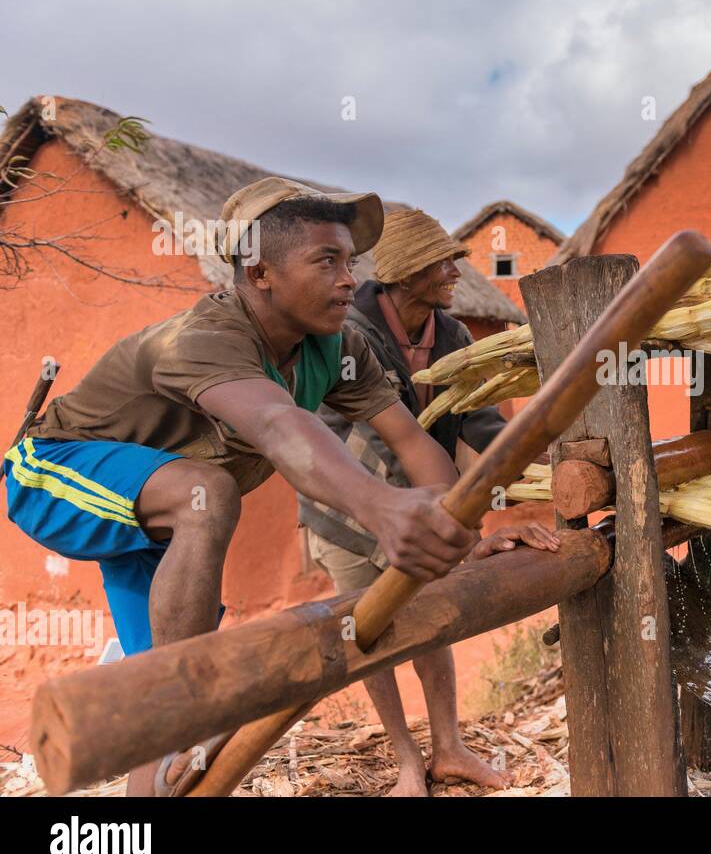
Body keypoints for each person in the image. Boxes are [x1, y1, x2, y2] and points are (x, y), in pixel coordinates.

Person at [3, 178, 510, 795]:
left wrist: (459, 530)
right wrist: (382, 508)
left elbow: (408, 439)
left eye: (350, 262)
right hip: (53, 473)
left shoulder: (339, 347)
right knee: (208, 496)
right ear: (260, 271)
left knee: (162, 704)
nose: (349, 280)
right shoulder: (206, 337)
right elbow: (278, 422)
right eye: (327, 261)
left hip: (159, 521)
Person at [298, 208, 558, 795]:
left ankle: (448, 748)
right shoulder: (347, 331)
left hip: (423, 501)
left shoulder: (453, 335)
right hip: (346, 508)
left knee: (433, 622)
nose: (454, 273)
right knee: (366, 631)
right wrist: (458, 526)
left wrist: (549, 463)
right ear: (405, 273)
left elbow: (483, 427)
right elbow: (364, 439)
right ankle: (406, 761)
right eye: (442, 263)